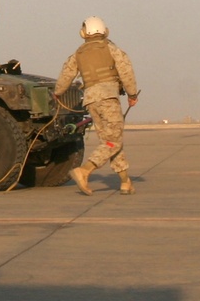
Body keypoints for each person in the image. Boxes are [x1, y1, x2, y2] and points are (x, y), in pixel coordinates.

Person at [54, 16, 139, 195]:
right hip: (108, 98)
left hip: (91, 100)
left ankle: (125, 182)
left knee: (109, 141)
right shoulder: (111, 49)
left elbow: (65, 75)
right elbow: (126, 71)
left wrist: (58, 93)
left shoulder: (78, 53)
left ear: (84, 33)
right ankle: (85, 170)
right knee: (114, 140)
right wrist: (132, 94)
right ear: (104, 31)